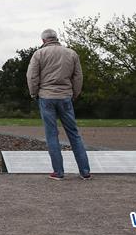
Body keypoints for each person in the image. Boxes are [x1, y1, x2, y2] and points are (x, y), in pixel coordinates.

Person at [27, 28, 91, 180]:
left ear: (43, 41)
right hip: (65, 97)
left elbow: (32, 76)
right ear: (56, 38)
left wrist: (34, 93)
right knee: (74, 134)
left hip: (46, 97)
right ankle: (85, 171)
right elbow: (78, 77)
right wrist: (74, 94)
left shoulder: (39, 54)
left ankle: (58, 172)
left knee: (52, 135)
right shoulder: (71, 53)